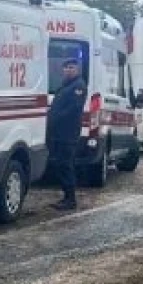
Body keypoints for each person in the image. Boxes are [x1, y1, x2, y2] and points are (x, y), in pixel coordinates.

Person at [46, 59, 88, 210]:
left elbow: (73, 109)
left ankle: (70, 199)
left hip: (68, 133)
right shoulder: (65, 85)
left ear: (77, 70)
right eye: (66, 68)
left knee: (66, 164)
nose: (69, 70)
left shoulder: (78, 86)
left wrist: (55, 118)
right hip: (58, 132)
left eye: (72, 67)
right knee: (60, 163)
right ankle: (66, 196)